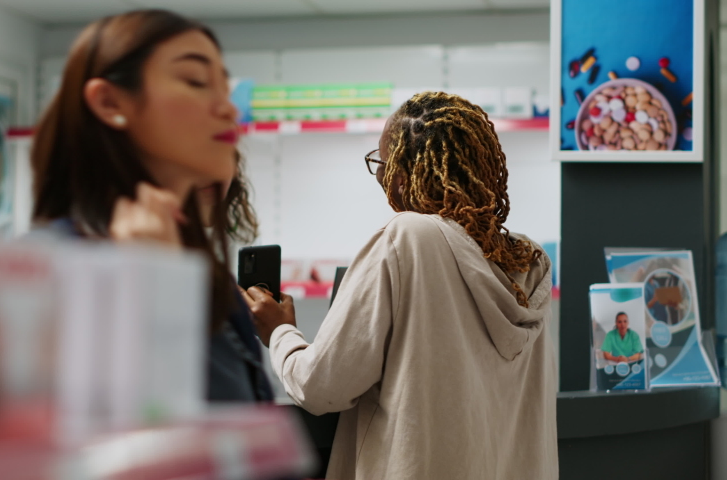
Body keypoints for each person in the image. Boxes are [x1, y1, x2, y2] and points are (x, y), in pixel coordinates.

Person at [242, 92, 558, 479]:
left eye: (381, 162)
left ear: (404, 174)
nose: (379, 176)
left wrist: (279, 332)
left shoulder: (407, 237)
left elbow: (321, 386)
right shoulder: (531, 261)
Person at [30, 9, 272, 402]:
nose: (228, 109)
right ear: (110, 102)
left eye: (225, 89)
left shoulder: (212, 282)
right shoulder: (47, 269)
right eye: (195, 81)